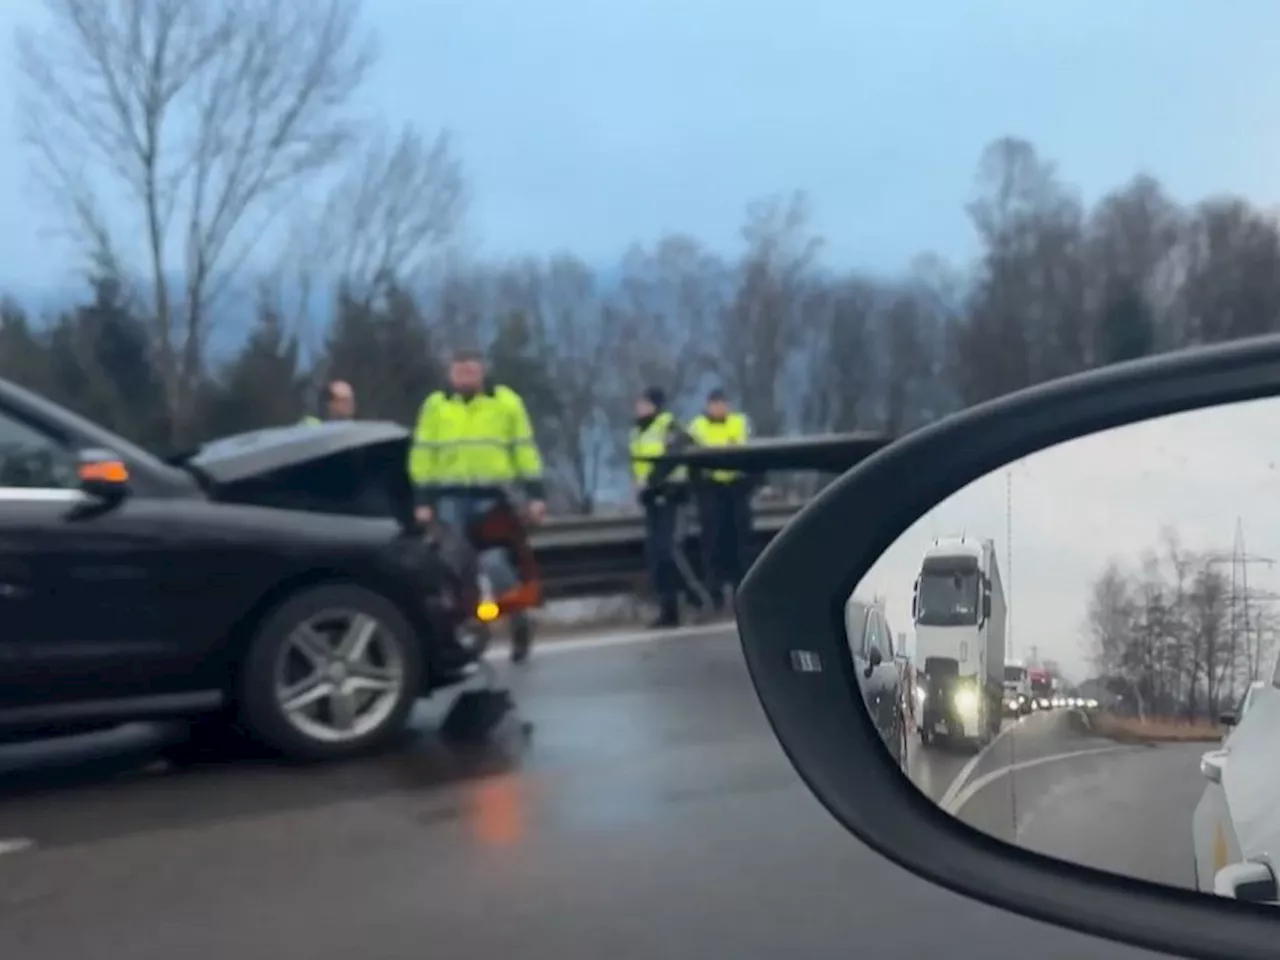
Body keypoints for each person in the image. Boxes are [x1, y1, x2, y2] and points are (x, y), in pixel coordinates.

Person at [407, 349, 546, 662]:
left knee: (496, 565)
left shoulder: (505, 402)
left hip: (494, 498)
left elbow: (524, 450)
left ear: (482, 370)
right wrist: (423, 500)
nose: (465, 377)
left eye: (471, 370)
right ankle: (465, 638)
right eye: (459, 371)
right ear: (450, 373)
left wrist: (535, 495)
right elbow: (423, 454)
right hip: (449, 499)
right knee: (455, 571)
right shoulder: (435, 406)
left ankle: (518, 618)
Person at [631, 387, 709, 628]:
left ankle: (700, 600)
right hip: (652, 499)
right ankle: (669, 611)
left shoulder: (670, 426)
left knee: (670, 550)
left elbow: (675, 456)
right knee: (656, 556)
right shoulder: (637, 432)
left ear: (654, 405)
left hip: (672, 497)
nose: (638, 407)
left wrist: (653, 481)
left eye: (643, 402)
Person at [688, 388, 753, 613]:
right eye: (714, 404)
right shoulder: (697, 427)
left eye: (722, 403)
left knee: (740, 543)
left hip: (736, 491)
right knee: (712, 544)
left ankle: (741, 592)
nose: (718, 408)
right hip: (711, 492)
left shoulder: (739, 422)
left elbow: (750, 454)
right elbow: (691, 461)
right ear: (707, 406)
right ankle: (714, 595)